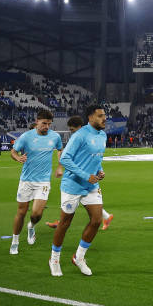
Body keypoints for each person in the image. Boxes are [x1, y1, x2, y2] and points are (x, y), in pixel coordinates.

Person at [49, 104, 107, 277]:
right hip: (73, 185)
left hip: (91, 185)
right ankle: (54, 259)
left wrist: (99, 171)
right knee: (64, 224)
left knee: (96, 220)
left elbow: (96, 158)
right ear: (90, 118)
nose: (104, 118)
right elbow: (65, 159)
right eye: (100, 116)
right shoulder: (80, 135)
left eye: (104, 115)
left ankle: (79, 257)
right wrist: (85, 175)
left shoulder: (102, 135)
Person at [9, 110, 63, 255]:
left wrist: (59, 166)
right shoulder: (26, 136)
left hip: (43, 181)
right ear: (37, 121)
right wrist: (18, 158)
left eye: (49, 124)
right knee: (21, 212)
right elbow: (13, 151)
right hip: (26, 180)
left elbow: (60, 149)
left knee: (37, 214)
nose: (47, 127)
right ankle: (15, 241)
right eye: (44, 123)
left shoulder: (55, 136)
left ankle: (31, 226)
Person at [47, 116, 115, 231]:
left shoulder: (86, 138)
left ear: (80, 127)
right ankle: (106, 217)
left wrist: (99, 170)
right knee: (83, 202)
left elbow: (94, 158)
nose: (71, 132)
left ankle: (61, 223)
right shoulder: (78, 139)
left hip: (79, 180)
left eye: (72, 130)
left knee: (75, 202)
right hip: (81, 179)